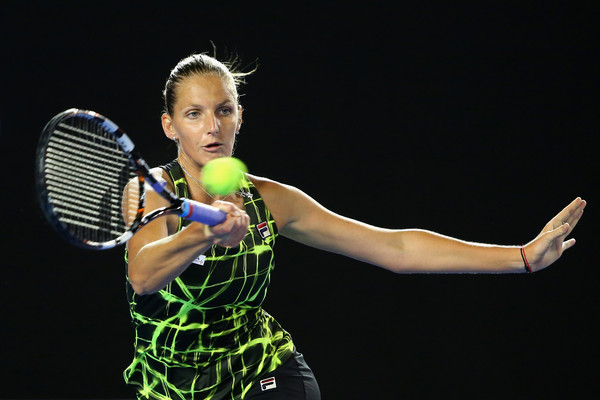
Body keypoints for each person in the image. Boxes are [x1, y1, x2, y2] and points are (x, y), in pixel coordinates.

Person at [122, 53, 586, 400]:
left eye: (224, 110)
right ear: (170, 126)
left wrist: (522, 257)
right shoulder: (154, 191)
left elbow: (395, 249)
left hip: (261, 367)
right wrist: (204, 231)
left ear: (239, 116)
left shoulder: (271, 200)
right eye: (194, 113)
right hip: (169, 384)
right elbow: (142, 277)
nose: (212, 127)